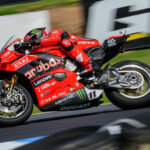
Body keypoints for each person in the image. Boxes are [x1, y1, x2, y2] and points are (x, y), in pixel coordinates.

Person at [21, 27, 101, 75]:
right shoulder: (39, 51)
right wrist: (21, 50)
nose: (30, 45)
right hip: (69, 63)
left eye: (30, 41)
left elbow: (54, 38)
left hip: (87, 46)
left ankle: (89, 64)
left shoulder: (53, 33)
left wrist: (36, 41)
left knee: (65, 42)